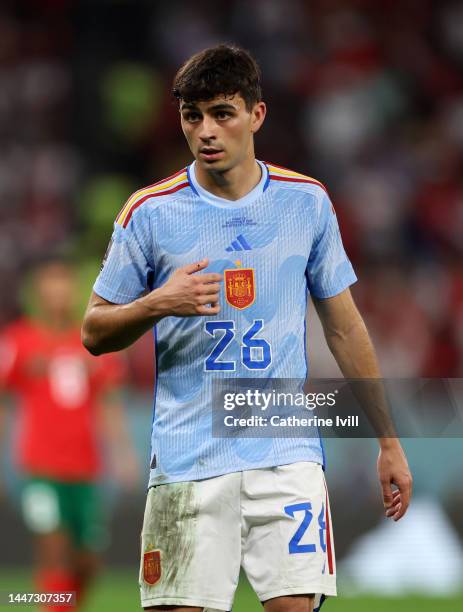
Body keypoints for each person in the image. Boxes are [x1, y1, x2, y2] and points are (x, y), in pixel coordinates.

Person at [82, 44, 413, 612]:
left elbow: (344, 328)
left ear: (255, 115)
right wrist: (158, 303)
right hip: (189, 459)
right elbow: (94, 330)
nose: (206, 131)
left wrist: (389, 442)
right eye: (193, 116)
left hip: (285, 455)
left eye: (222, 113)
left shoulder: (306, 203)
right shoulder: (150, 211)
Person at [0, 258, 139, 612]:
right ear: (37, 294)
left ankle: (61, 605)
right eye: (50, 285)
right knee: (53, 548)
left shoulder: (92, 341)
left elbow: (108, 403)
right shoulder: (18, 341)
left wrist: (123, 453)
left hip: (85, 470)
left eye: (64, 284)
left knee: (88, 561)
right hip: (39, 469)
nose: (58, 293)